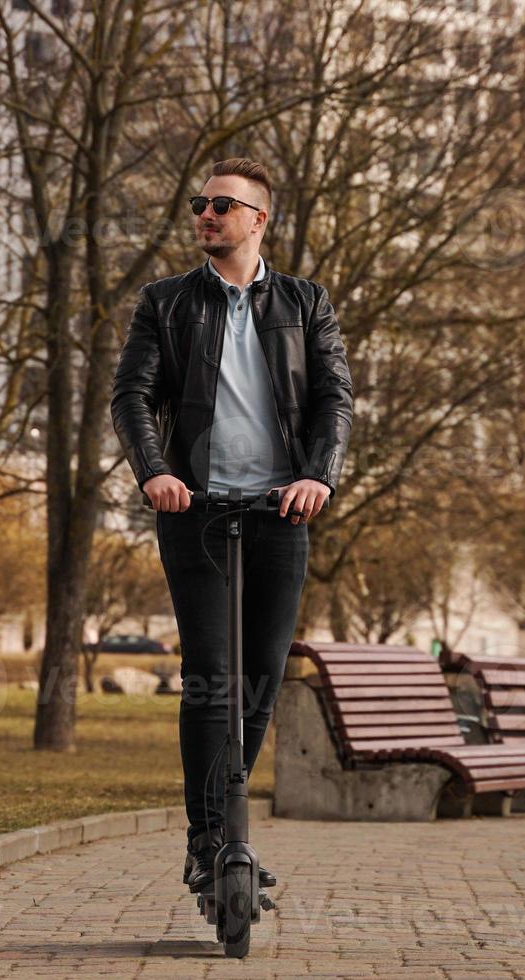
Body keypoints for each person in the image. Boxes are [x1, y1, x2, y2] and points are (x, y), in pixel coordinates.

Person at [110, 157, 354, 894]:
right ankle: (205, 838)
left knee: (262, 680)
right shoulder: (165, 302)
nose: (206, 215)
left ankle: (230, 826)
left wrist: (319, 473)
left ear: (259, 219)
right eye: (200, 203)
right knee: (211, 680)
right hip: (197, 512)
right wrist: (155, 471)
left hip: (282, 510)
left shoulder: (307, 304)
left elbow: (334, 400)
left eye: (223, 205)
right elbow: (132, 395)